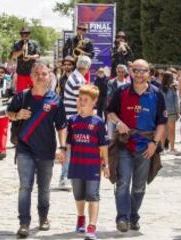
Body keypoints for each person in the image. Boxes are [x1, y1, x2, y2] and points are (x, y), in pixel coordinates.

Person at [7, 62, 67, 238]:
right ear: (31, 76)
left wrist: (62, 147)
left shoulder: (56, 100)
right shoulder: (22, 97)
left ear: (50, 77)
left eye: (44, 74)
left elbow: (62, 126)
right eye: (37, 74)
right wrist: (17, 115)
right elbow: (9, 113)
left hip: (47, 151)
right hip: (25, 149)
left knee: (44, 188)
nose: (40, 77)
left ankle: (43, 217)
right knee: (25, 187)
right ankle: (24, 223)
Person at [107, 59, 167, 232]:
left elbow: (162, 123)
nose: (140, 74)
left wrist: (154, 143)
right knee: (123, 182)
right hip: (125, 144)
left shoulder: (157, 94)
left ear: (149, 73)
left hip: (146, 146)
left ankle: (133, 216)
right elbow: (110, 112)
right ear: (131, 72)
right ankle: (122, 218)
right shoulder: (121, 91)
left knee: (139, 186)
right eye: (136, 70)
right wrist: (118, 123)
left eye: (144, 70)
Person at [66, 84, 110, 240]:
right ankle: (80, 218)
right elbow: (69, 144)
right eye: (80, 99)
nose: (82, 102)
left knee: (93, 195)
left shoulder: (98, 122)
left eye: (86, 99)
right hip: (76, 166)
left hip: (93, 167)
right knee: (78, 195)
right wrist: (63, 155)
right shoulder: (72, 121)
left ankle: (92, 227)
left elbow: (103, 146)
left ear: (94, 102)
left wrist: (106, 165)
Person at [58, 55, 92, 190]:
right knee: (70, 149)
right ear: (87, 67)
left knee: (72, 149)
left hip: (71, 118)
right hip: (74, 119)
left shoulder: (75, 77)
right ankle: (64, 177)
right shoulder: (78, 80)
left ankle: (69, 176)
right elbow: (81, 102)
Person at [10, 27, 40, 93]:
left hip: (32, 73)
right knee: (21, 93)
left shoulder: (34, 43)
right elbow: (13, 56)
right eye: (22, 34)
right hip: (21, 73)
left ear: (29, 34)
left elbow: (38, 55)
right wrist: (21, 50)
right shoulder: (17, 44)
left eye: (26, 34)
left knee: (34, 93)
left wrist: (30, 57)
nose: (24, 35)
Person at [106, 64, 130, 139]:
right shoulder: (111, 82)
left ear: (125, 72)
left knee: (123, 137)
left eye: (122, 72)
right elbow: (109, 96)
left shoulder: (128, 83)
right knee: (111, 137)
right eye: (119, 71)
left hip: (124, 113)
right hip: (113, 112)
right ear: (116, 72)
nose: (120, 73)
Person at [161, 71, 179, 154]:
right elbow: (176, 102)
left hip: (164, 112)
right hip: (170, 112)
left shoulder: (160, 89)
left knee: (164, 131)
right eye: (171, 77)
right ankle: (171, 148)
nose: (173, 79)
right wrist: (178, 112)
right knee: (170, 131)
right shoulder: (172, 89)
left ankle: (163, 148)